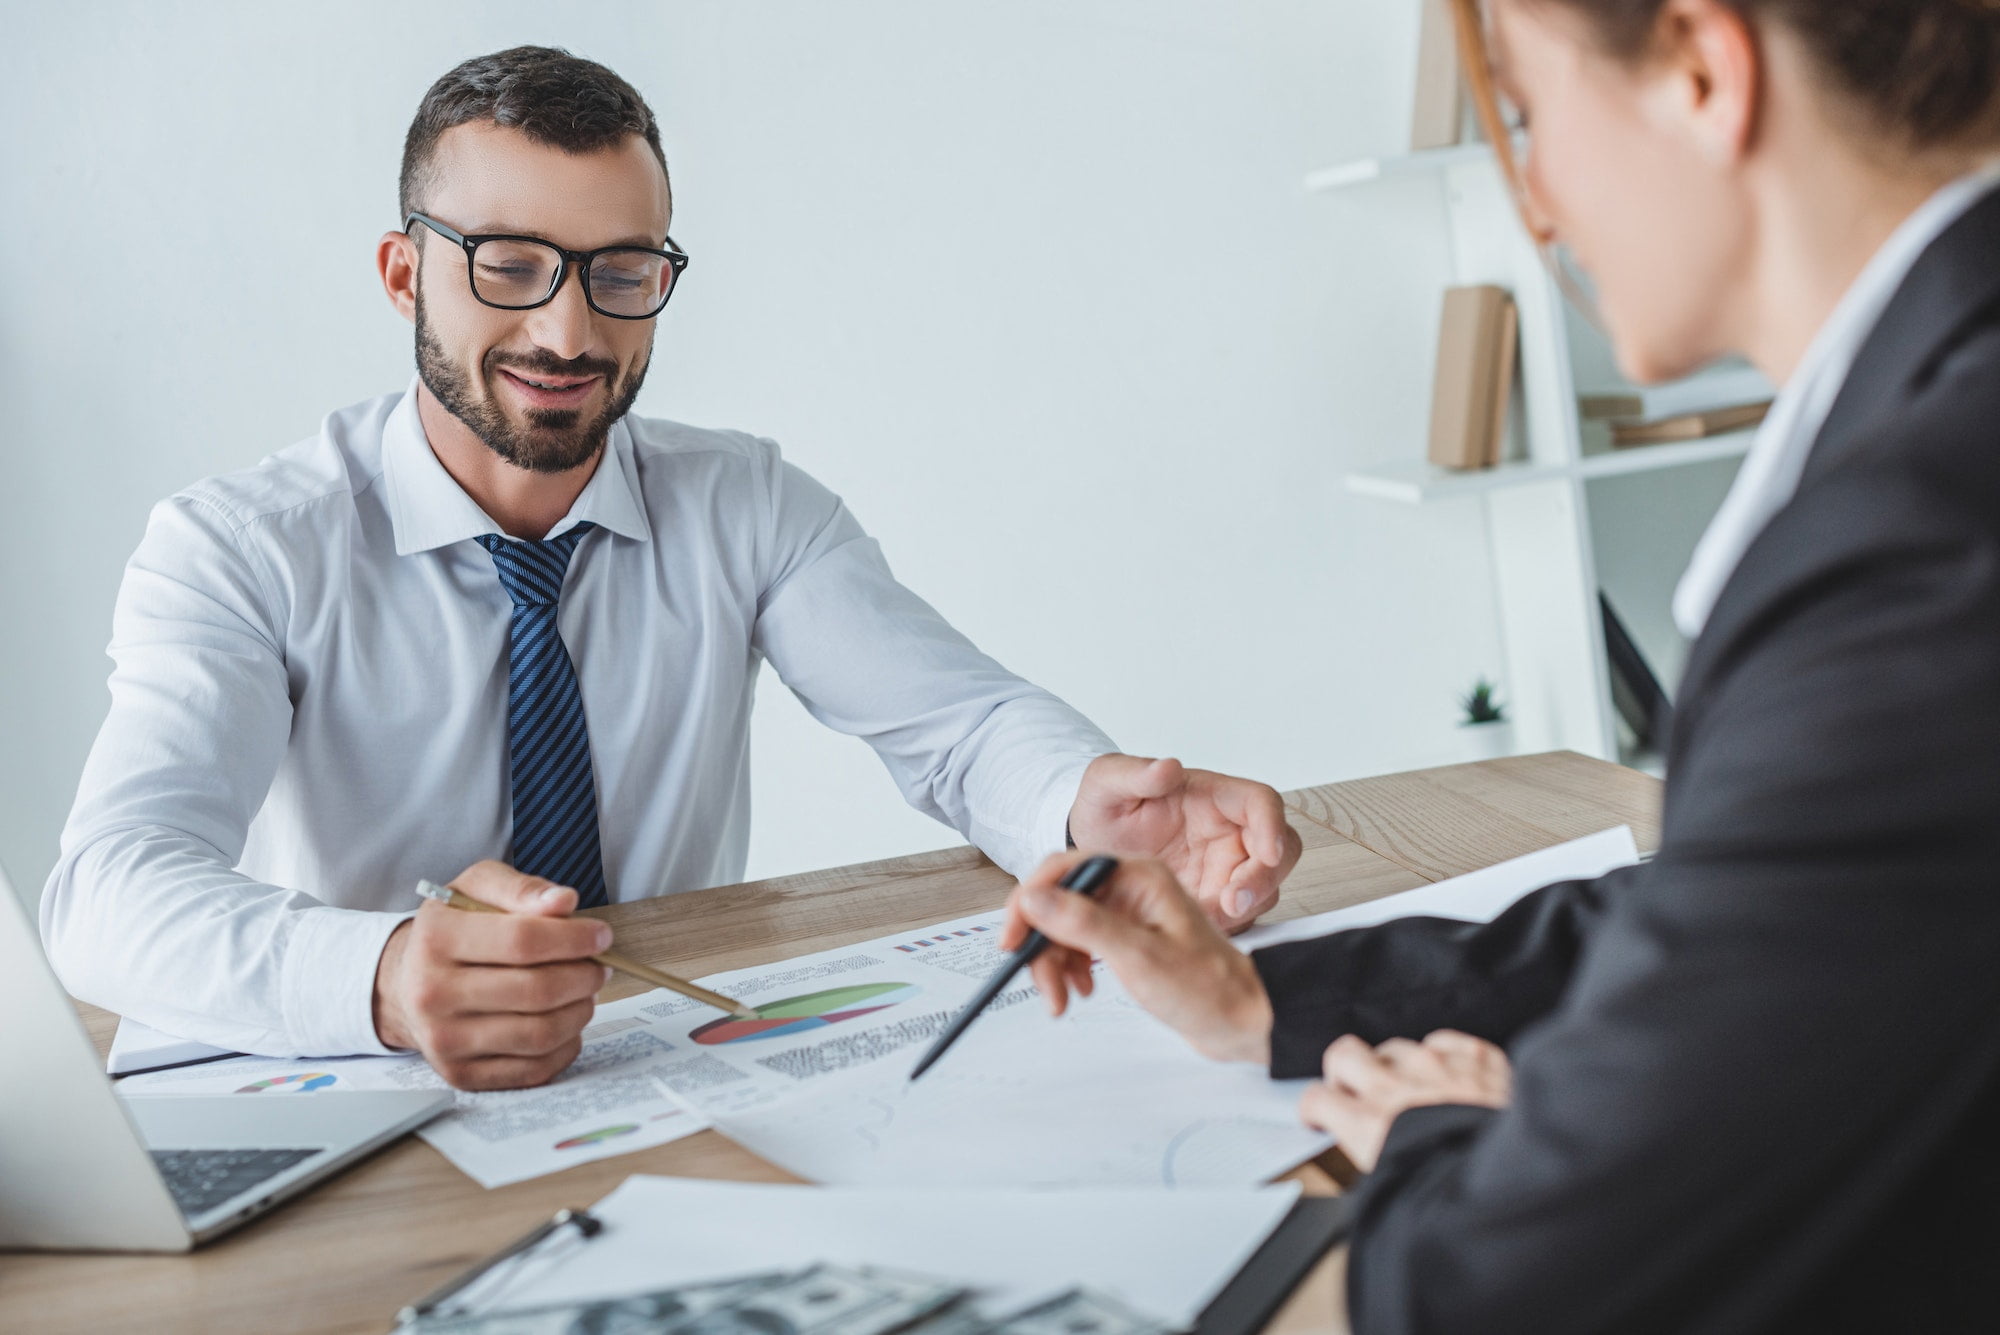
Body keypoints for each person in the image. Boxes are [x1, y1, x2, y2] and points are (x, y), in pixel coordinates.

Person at [1005, 0, 2000, 1329]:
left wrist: (1440, 1139)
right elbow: (1735, 913)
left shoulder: (1912, 543)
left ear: (1704, 70)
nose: (1532, 198)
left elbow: (1515, 1287)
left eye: (1529, 116)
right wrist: (1273, 998)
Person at [41, 46, 1300, 1092]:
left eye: (621, 272)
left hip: (675, 1075)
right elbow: (108, 890)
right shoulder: (240, 545)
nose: (568, 330)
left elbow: (960, 729)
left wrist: (1087, 805)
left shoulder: (746, 502)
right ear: (402, 272)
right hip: (371, 1083)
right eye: (508, 264)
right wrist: (378, 975)